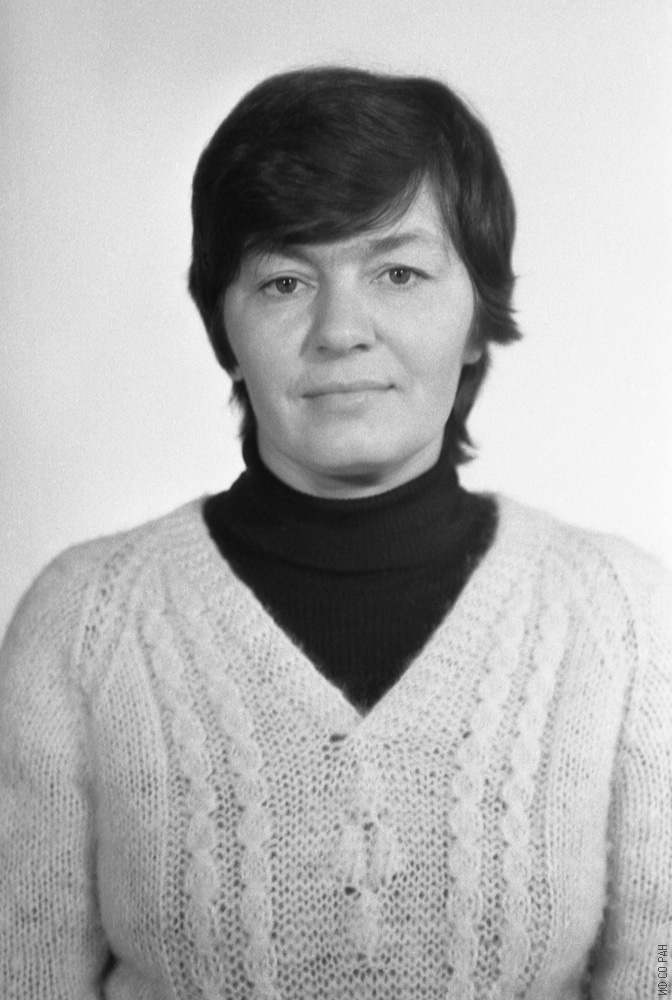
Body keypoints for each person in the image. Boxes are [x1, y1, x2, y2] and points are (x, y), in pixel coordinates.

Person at [0, 66, 670, 1000]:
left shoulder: (626, 622)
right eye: (284, 280)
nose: (340, 330)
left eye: (399, 273)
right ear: (225, 327)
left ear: (478, 318)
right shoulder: (81, 624)